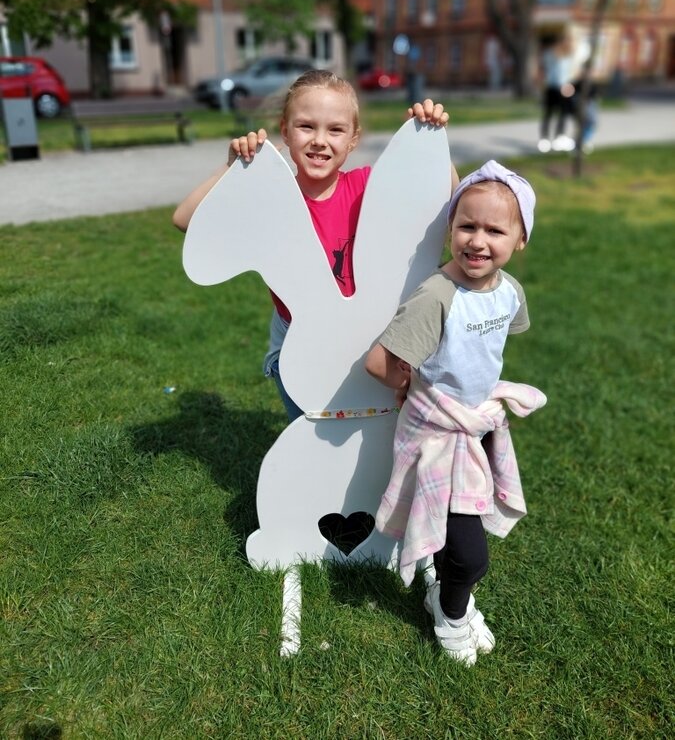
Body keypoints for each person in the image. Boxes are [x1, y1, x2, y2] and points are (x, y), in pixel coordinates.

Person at [173, 69, 457, 421]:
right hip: (300, 346)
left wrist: (430, 141)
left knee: (378, 430)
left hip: (371, 336)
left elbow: (447, 202)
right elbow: (185, 219)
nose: (320, 140)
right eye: (306, 126)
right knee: (316, 433)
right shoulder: (271, 200)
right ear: (285, 131)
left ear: (353, 139)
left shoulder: (368, 187)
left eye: (335, 130)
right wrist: (231, 169)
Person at [365, 161, 545, 666]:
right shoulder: (438, 295)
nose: (478, 241)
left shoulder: (508, 292)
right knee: (470, 554)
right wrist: (412, 389)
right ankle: (450, 611)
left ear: (521, 240)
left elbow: (484, 349)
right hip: (439, 435)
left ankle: (445, 593)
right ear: (450, 229)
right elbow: (379, 362)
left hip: (476, 426)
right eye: (467, 226)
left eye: (495, 231)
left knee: (458, 532)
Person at [538, 36, 577, 152]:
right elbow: (557, 74)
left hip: (559, 87)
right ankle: (547, 138)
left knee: (561, 113)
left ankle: (557, 137)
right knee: (552, 113)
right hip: (557, 87)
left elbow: (569, 73)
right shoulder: (553, 55)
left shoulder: (566, 55)